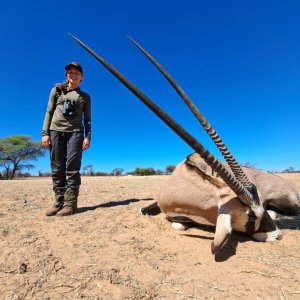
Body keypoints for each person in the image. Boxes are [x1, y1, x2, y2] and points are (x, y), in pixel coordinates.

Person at [42, 62, 91, 216]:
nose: (73, 75)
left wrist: (88, 136)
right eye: (70, 72)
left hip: (76, 133)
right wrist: (45, 133)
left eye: (77, 73)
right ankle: (58, 203)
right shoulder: (57, 91)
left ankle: (70, 204)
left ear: (82, 77)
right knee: (57, 167)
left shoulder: (85, 97)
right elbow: (49, 111)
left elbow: (87, 119)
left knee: (72, 168)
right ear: (66, 75)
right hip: (55, 131)